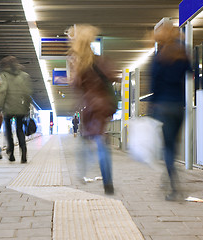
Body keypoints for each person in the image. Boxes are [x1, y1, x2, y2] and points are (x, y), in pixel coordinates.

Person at [67, 24, 117, 195]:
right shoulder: (99, 59)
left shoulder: (79, 63)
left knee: (86, 140)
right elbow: (112, 76)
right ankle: (108, 182)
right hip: (103, 106)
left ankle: (82, 172)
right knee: (101, 142)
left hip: (89, 107)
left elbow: (75, 85)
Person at [150, 22, 191, 201]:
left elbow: (154, 86)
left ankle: (173, 186)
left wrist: (151, 108)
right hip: (179, 107)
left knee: (167, 149)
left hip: (163, 107)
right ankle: (169, 176)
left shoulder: (158, 57)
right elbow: (192, 73)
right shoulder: (183, 52)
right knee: (173, 146)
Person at [0, 56, 32, 163]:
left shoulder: (4, 75)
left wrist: (0, 106)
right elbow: (27, 93)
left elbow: (3, 91)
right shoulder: (25, 76)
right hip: (21, 108)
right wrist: (26, 107)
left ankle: (11, 153)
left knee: (8, 131)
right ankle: (24, 154)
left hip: (8, 108)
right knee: (19, 130)